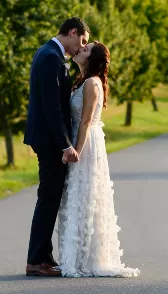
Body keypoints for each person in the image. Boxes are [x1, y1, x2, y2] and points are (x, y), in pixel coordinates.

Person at [56, 41, 140, 278]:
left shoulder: (92, 83)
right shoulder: (82, 81)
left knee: (85, 194)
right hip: (79, 138)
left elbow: (85, 121)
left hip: (86, 144)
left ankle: (85, 259)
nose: (80, 49)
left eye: (86, 49)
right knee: (77, 196)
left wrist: (76, 151)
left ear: (92, 59)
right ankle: (75, 256)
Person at [24, 17, 89, 277]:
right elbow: (51, 107)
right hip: (50, 141)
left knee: (49, 198)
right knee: (48, 198)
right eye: (82, 40)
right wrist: (65, 145)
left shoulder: (48, 52)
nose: (81, 47)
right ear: (72, 32)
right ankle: (36, 260)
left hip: (46, 138)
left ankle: (43, 256)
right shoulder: (51, 57)